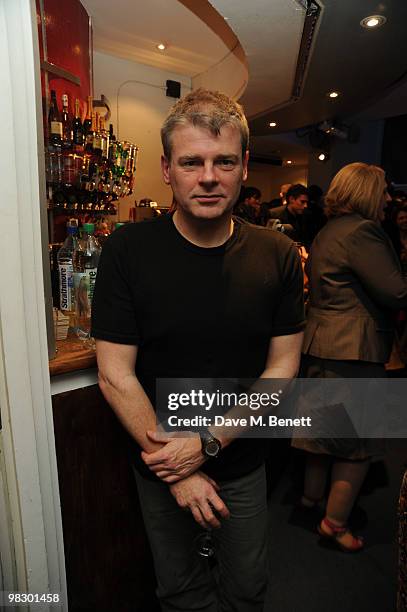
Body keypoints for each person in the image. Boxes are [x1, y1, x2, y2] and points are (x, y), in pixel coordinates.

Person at [91, 88, 305, 611]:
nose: (208, 177)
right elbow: (115, 374)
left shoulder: (277, 254)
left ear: (244, 165)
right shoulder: (127, 250)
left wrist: (207, 442)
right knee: (181, 592)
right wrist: (181, 468)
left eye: (223, 161)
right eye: (191, 162)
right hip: (161, 467)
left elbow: (282, 370)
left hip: (243, 460)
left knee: (247, 588)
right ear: (167, 169)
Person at [292, 162, 407, 552]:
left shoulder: (331, 229)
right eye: (384, 191)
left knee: (324, 435)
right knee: (357, 445)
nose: (389, 199)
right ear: (367, 193)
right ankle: (335, 524)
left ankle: (310, 501)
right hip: (353, 350)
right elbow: (396, 293)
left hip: (323, 343)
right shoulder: (365, 231)